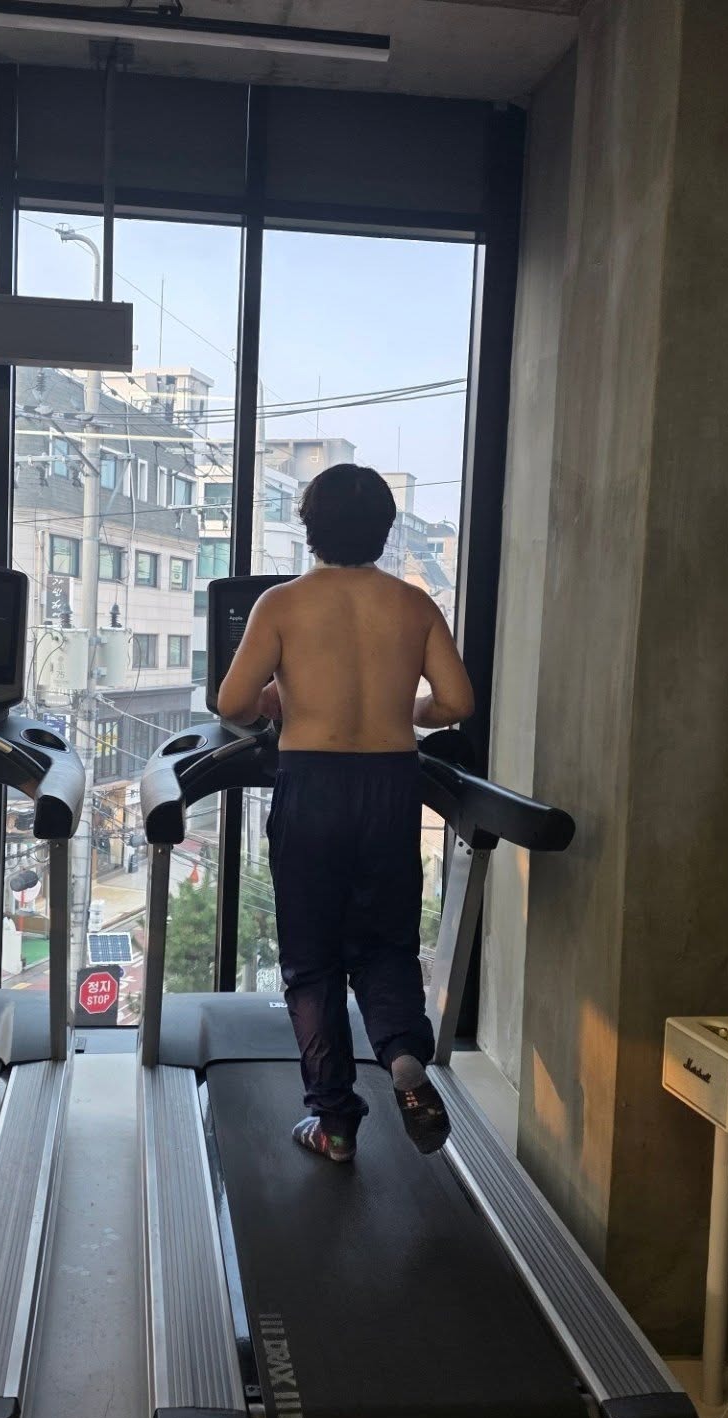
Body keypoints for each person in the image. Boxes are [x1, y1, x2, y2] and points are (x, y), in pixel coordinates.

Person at [215, 463, 476, 1163]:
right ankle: (404, 1058)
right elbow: (456, 703)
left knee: (313, 962)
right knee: (386, 945)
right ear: (385, 531)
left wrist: (278, 697)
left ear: (309, 528)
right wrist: (404, 710)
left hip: (313, 786)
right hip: (392, 786)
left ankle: (334, 1121)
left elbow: (232, 703)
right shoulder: (414, 605)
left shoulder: (282, 604)